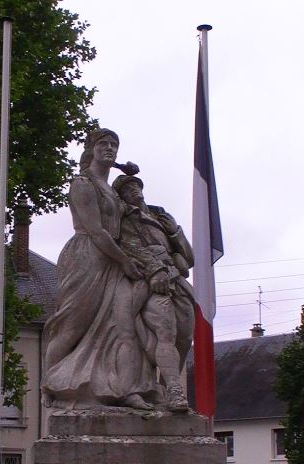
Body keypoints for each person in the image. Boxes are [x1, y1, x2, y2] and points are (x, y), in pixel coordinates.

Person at [42, 129, 162, 410]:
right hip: (87, 257)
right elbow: (96, 231)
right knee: (73, 325)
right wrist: (124, 261)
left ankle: (125, 388)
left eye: (114, 145)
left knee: (123, 327)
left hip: (115, 258)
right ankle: (49, 384)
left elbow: (130, 217)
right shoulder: (82, 183)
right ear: (91, 149)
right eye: (103, 144)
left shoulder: (111, 188)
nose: (109, 148)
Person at [112, 174, 195, 412]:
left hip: (176, 280)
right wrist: (154, 268)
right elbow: (124, 244)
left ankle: (163, 390)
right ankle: (175, 391)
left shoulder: (159, 217)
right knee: (165, 333)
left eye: (136, 186)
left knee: (184, 338)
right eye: (127, 188)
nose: (134, 190)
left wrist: (176, 232)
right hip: (151, 282)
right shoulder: (123, 216)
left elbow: (189, 259)